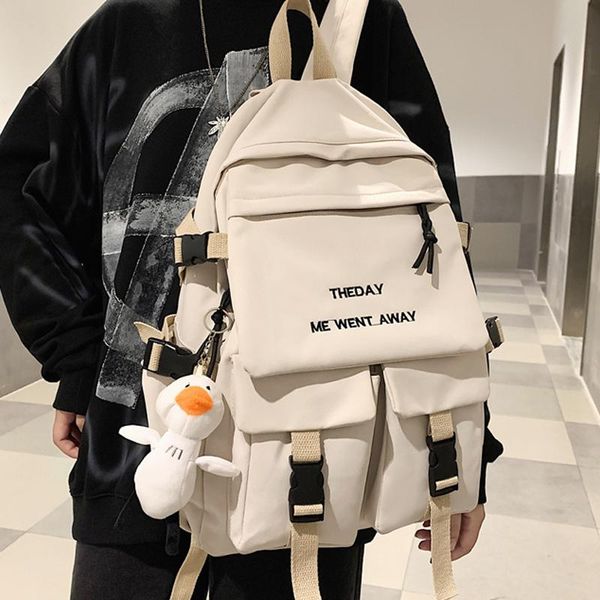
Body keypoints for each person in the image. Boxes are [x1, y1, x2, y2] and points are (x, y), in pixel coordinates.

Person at [0, 1, 503, 598]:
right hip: (301, 443)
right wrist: (77, 355)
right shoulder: (142, 20)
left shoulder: (355, 17)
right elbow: (438, 245)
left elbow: (434, 235)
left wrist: (80, 355)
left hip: (268, 447)